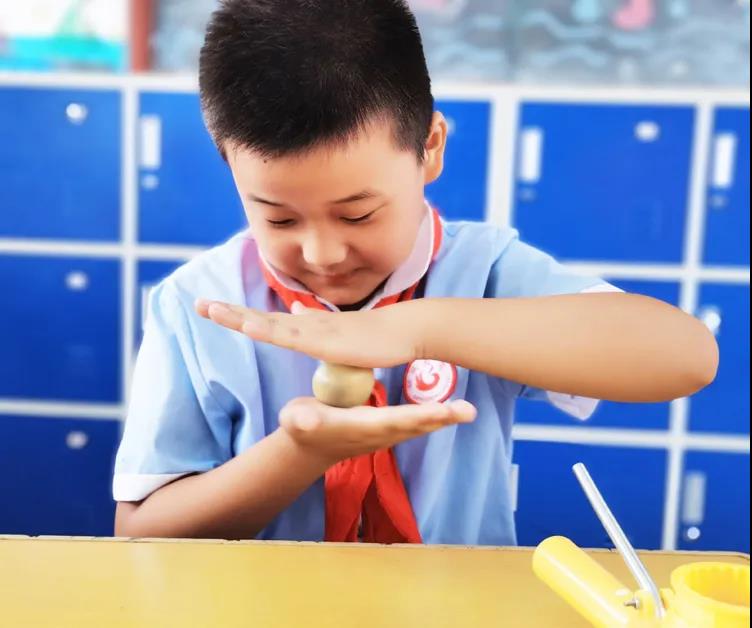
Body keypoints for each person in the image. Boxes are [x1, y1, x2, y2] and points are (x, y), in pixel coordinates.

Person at [113, 0, 718, 545]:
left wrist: (423, 327)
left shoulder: (484, 273)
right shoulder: (197, 303)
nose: (322, 253)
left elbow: (687, 358)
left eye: (358, 213)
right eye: (278, 218)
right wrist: (300, 451)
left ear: (429, 147)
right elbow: (140, 533)